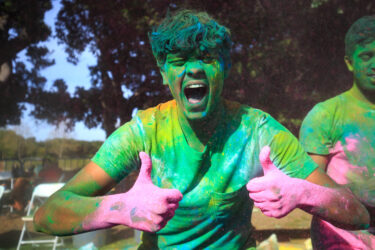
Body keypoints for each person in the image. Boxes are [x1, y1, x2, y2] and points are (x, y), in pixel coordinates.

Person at [34, 9, 369, 249]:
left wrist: (304, 193)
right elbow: (48, 214)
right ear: (164, 73)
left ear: (223, 67)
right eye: (179, 61)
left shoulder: (258, 131)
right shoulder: (143, 133)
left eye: (206, 57)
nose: (193, 68)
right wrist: (119, 207)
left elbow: (355, 213)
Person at [300, 15, 375, 249]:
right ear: (349, 62)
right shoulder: (326, 115)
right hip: (342, 238)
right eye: (366, 56)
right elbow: (309, 186)